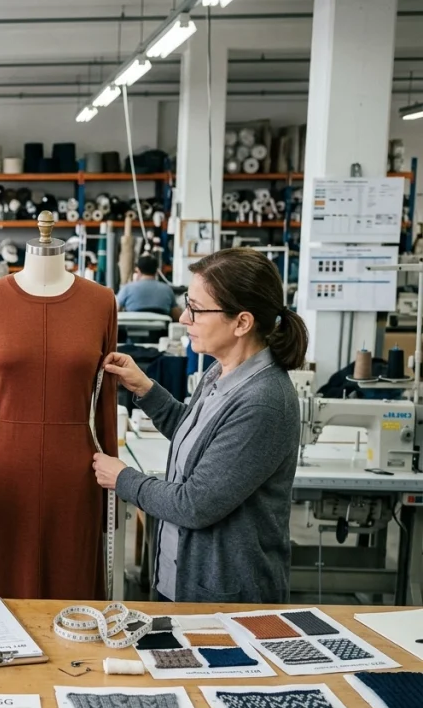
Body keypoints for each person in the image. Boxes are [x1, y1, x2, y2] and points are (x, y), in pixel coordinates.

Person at [93, 247, 308, 603]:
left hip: (225, 599)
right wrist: (146, 389)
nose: (183, 318)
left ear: (241, 323)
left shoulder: (263, 401)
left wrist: (123, 479)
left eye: (196, 309)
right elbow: (197, 436)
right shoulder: (221, 371)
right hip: (181, 581)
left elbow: (194, 505)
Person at [117, 255, 180, 319]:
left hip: (132, 324)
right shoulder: (167, 290)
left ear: (138, 271)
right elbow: (177, 316)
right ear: (156, 271)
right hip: (159, 325)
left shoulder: (127, 289)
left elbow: (115, 312)